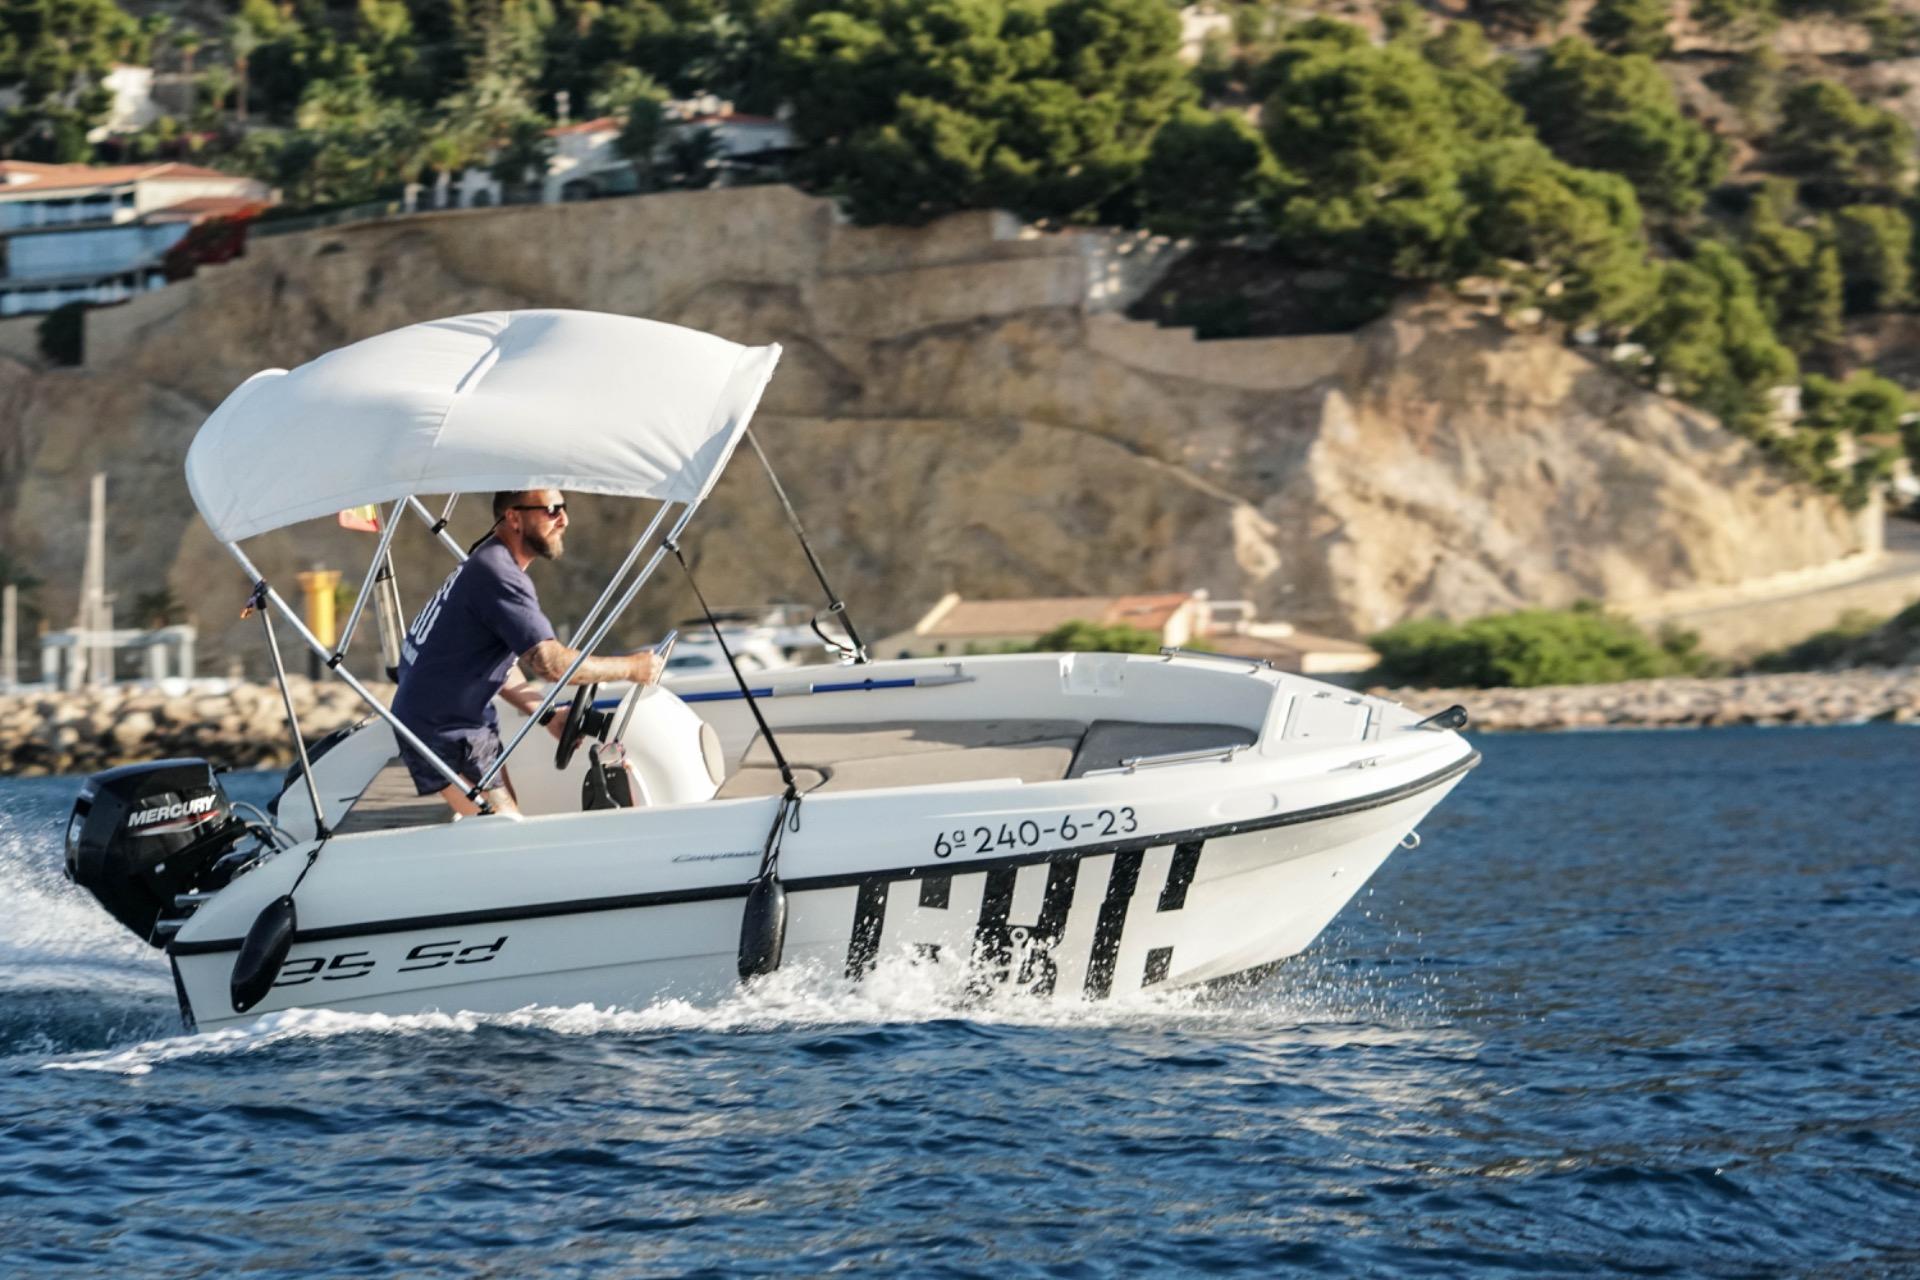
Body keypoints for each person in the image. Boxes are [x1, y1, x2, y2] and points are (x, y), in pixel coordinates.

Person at [391, 488, 665, 817]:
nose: (564, 519)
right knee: (502, 831)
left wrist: (547, 714)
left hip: (464, 723)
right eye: (551, 510)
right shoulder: (497, 574)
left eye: (564, 508)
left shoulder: (490, 564)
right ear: (514, 517)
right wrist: (633, 668)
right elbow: (550, 664)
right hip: (443, 729)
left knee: (506, 822)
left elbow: (498, 665)